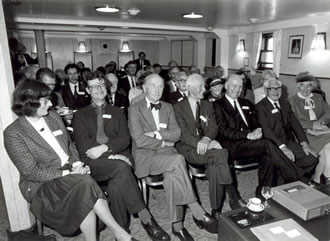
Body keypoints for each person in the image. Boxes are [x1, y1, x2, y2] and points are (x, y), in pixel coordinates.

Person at [3, 80, 139, 241]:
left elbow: (70, 146)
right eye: (46, 101)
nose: (51, 103)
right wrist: (68, 171)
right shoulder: (14, 133)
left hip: (71, 173)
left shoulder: (52, 117)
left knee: (82, 186)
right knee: (84, 183)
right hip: (41, 183)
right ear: (30, 103)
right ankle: (120, 233)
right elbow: (31, 172)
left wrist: (76, 164)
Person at [72, 72, 169, 240]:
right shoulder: (80, 115)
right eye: (94, 86)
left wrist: (105, 149)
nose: (98, 89)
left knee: (117, 184)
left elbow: (124, 139)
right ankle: (146, 218)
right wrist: (111, 155)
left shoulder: (118, 111)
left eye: (101, 85)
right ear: (87, 91)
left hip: (120, 159)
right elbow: (84, 148)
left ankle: (122, 232)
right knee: (121, 168)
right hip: (94, 164)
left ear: (107, 88)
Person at [129, 73, 216, 240]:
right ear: (145, 88)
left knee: (172, 176)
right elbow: (139, 140)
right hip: (146, 158)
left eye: (160, 86)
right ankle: (196, 208)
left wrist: (155, 134)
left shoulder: (168, 107)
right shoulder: (135, 108)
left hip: (168, 155)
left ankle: (177, 226)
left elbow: (176, 134)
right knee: (178, 160)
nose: (157, 89)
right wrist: (163, 141)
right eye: (153, 86)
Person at [214, 75, 308, 194]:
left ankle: (262, 192)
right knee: (267, 145)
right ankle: (297, 176)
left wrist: (258, 129)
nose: (237, 89)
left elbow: (257, 122)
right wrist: (247, 135)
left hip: (250, 143)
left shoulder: (246, 102)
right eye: (234, 86)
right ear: (226, 86)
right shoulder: (218, 104)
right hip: (231, 145)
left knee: (268, 154)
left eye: (240, 86)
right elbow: (222, 130)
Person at [173, 74, 243, 219]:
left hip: (206, 148)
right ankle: (233, 193)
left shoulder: (207, 105)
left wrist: (206, 139)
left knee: (215, 166)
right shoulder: (177, 107)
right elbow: (182, 133)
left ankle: (215, 210)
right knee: (222, 154)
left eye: (203, 86)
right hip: (188, 148)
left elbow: (213, 127)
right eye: (200, 87)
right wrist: (201, 143)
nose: (204, 89)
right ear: (190, 88)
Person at [256, 78, 319, 183]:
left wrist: (304, 143)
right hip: (272, 145)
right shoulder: (260, 107)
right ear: (266, 90)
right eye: (272, 89)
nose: (276, 91)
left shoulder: (285, 104)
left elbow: (295, 124)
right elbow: (266, 131)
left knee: (312, 159)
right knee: (286, 163)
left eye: (278, 88)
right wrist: (283, 147)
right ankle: (299, 179)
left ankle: (289, 178)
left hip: (288, 141)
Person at [289, 72, 330, 184]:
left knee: (327, 150)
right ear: (298, 86)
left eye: (309, 85)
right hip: (304, 134)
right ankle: (321, 180)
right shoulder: (292, 100)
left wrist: (319, 123)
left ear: (313, 86)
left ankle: (319, 179)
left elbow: (328, 112)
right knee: (326, 151)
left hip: (320, 131)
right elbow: (294, 120)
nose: (306, 89)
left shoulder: (318, 97)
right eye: (302, 85)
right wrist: (311, 126)